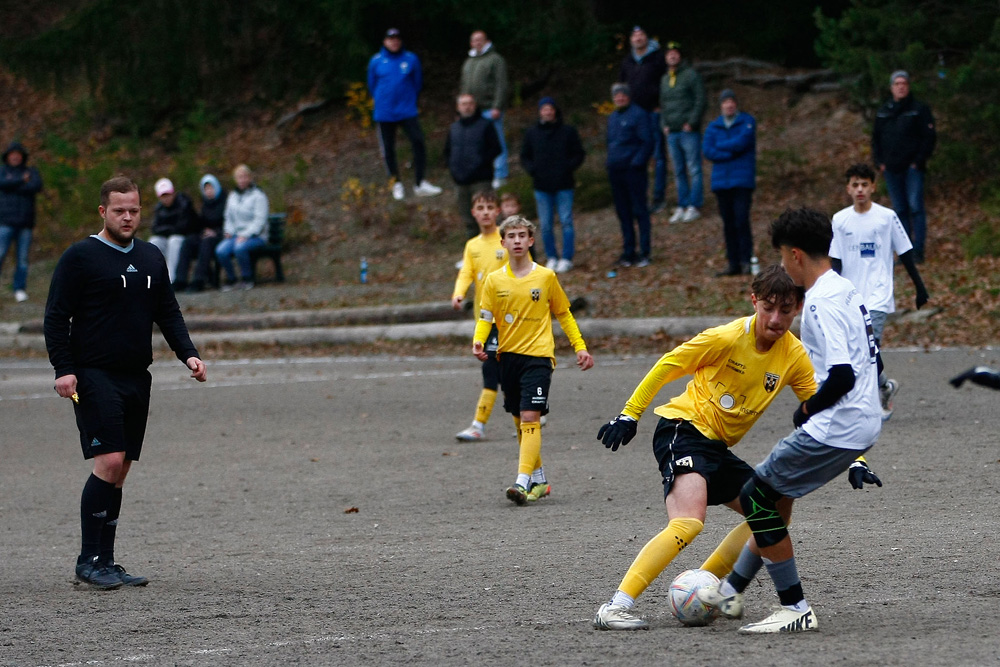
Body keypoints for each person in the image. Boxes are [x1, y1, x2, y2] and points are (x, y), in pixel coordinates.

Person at [592, 265, 817, 630]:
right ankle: (615, 606)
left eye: (786, 310)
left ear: (798, 308)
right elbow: (669, 364)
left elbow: (820, 409)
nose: (776, 319)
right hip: (682, 429)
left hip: (716, 447)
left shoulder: (794, 355)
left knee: (773, 512)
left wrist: (855, 456)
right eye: (769, 308)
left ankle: (708, 591)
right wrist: (629, 415)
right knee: (689, 522)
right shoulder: (726, 337)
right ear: (754, 300)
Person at [697, 207, 882, 634]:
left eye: (782, 257)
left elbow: (842, 373)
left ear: (795, 255)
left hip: (839, 423)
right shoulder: (847, 289)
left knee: (755, 495)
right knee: (775, 498)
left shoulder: (819, 301)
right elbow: (873, 358)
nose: (782, 265)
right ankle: (731, 590)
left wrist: (806, 409)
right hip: (862, 420)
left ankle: (794, 606)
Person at [43, 175, 207, 590]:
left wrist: (188, 352)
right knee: (109, 461)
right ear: (103, 211)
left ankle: (107, 560)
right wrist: (64, 368)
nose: (128, 216)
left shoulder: (152, 257)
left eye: (134, 209)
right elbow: (56, 317)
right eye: (120, 210)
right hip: (94, 374)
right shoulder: (80, 257)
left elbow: (167, 312)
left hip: (138, 376)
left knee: (122, 469)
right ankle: (87, 560)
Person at [473, 216, 593, 504]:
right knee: (520, 421)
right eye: (511, 236)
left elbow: (563, 312)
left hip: (538, 357)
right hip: (507, 357)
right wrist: (478, 339)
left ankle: (521, 482)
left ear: (530, 241)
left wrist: (580, 346)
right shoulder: (494, 281)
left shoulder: (546, 277)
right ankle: (540, 481)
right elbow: (485, 318)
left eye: (521, 235)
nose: (516, 240)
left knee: (530, 416)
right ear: (502, 243)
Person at [830, 163, 929, 420]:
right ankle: (885, 386)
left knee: (868, 346)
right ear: (848, 189)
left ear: (873, 187)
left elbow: (905, 251)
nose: (860, 189)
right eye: (855, 185)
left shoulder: (886, 217)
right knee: (858, 351)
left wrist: (920, 287)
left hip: (878, 294)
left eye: (865, 184)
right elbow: (836, 261)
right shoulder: (840, 220)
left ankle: (868, 404)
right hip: (850, 296)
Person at [453, 190, 507, 441]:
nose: (485, 212)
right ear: (473, 213)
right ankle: (531, 407)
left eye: (489, 207)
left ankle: (479, 424)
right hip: (485, 320)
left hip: (509, 319)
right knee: (495, 370)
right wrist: (459, 293)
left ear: (498, 211)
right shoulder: (472, 246)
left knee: (497, 370)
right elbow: (466, 272)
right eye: (480, 208)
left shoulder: (507, 241)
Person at [367, 27, 443, 202]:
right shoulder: (376, 61)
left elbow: (417, 83)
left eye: (397, 39)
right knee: (388, 149)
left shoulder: (410, 59)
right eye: (390, 39)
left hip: (407, 110)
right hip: (385, 113)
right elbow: (372, 85)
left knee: (418, 142)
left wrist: (408, 100)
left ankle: (420, 182)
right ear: (385, 41)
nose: (394, 42)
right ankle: (396, 183)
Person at [872, 70, 935, 263]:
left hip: (912, 168)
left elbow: (929, 137)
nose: (901, 87)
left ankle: (918, 250)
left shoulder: (919, 110)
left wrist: (918, 161)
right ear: (891, 88)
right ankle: (905, 252)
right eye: (897, 84)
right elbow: (876, 139)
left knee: (915, 207)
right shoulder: (884, 111)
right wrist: (879, 162)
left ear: (908, 86)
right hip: (891, 169)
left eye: (904, 83)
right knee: (899, 211)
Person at [520, 96, 586, 273]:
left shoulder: (567, 131)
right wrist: (533, 170)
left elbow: (579, 153)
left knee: (566, 221)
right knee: (546, 224)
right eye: (544, 109)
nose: (547, 112)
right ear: (540, 111)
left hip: (564, 184)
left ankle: (566, 257)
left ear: (555, 110)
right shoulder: (532, 133)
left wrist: (568, 168)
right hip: (542, 185)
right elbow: (524, 156)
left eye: (550, 108)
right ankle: (551, 256)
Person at [703, 89, 757, 277]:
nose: (729, 105)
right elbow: (708, 150)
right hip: (721, 182)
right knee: (728, 223)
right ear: (721, 105)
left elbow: (742, 143)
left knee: (742, 220)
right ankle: (733, 262)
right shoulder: (713, 127)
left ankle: (746, 260)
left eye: (732, 101)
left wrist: (722, 148)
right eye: (725, 102)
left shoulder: (747, 122)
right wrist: (730, 153)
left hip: (742, 181)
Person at [619, 26, 668, 213]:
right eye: (634, 35)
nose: (638, 38)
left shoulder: (658, 58)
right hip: (634, 117)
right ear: (630, 40)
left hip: (654, 114)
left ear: (647, 38)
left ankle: (658, 197)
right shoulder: (627, 61)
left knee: (658, 157)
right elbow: (621, 87)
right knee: (636, 157)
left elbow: (667, 83)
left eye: (641, 35)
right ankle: (638, 197)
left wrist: (661, 104)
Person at [606, 82, 655, 267]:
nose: (619, 98)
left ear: (628, 96)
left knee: (639, 210)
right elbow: (610, 142)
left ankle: (644, 251)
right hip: (615, 170)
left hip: (633, 171)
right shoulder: (612, 118)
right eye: (616, 95)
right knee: (623, 212)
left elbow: (647, 141)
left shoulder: (639, 115)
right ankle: (628, 251)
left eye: (622, 95)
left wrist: (637, 162)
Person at [660, 41, 706, 224]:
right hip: (672, 132)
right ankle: (682, 204)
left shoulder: (691, 75)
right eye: (669, 53)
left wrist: (692, 122)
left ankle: (694, 205)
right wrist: (664, 124)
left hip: (688, 131)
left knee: (694, 168)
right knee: (678, 171)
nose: (672, 56)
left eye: (675, 53)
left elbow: (700, 99)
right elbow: (662, 104)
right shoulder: (665, 79)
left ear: (680, 56)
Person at [445, 94, 502, 239]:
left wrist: (481, 163)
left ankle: (493, 252)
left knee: (487, 217)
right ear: (458, 107)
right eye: (463, 104)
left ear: (475, 105)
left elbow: (496, 148)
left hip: (480, 180)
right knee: (468, 219)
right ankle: (473, 255)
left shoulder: (485, 125)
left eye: (470, 103)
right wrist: (453, 170)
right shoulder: (454, 128)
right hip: (460, 181)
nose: (467, 106)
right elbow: (447, 152)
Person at [460, 30, 510, 189]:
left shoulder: (495, 59)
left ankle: (501, 175)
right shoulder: (469, 61)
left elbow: (501, 84)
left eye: (480, 40)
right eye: (474, 40)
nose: (477, 43)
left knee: (497, 141)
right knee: (476, 144)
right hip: (472, 111)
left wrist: (497, 106)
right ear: (471, 43)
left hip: (490, 108)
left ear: (486, 40)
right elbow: (463, 85)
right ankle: (482, 173)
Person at [0, 141, 43, 302]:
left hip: (26, 222)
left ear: (22, 156)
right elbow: (2, 184)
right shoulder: (3, 171)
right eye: (13, 154)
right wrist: (21, 181)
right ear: (8, 156)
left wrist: (14, 185)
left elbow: (36, 186)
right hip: (4, 221)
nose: (15, 157)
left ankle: (19, 289)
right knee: (0, 254)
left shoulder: (31, 171)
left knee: (23, 258)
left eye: (18, 154)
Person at [215, 164, 269, 291]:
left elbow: (260, 221)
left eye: (245, 177)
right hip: (236, 235)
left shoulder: (258, 195)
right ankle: (231, 278)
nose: (242, 180)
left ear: (250, 178)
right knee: (221, 250)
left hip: (256, 236)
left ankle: (247, 278)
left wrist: (246, 234)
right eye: (239, 177)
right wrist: (229, 231)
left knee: (240, 248)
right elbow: (228, 217)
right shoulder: (232, 196)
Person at [181, 174, 227, 293]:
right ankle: (180, 279)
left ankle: (199, 280)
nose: (209, 192)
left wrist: (216, 232)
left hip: (222, 235)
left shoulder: (226, 201)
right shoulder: (205, 204)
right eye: (206, 189)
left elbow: (230, 222)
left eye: (211, 188)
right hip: (206, 235)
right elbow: (200, 224)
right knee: (189, 241)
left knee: (206, 243)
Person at [149, 178, 198, 287]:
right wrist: (169, 229)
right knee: (153, 242)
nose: (166, 198)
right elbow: (155, 229)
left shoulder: (184, 203)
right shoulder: (159, 208)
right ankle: (155, 278)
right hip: (168, 237)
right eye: (163, 196)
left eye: (168, 194)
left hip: (186, 240)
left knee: (173, 241)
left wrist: (167, 229)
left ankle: (171, 279)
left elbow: (183, 227)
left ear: (173, 192)